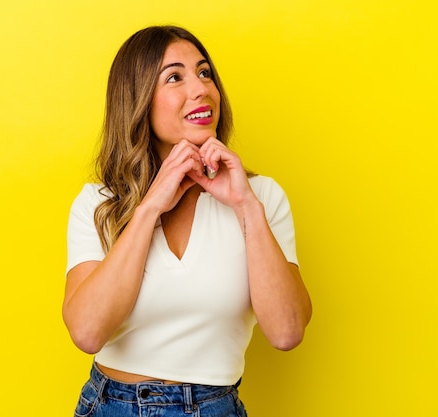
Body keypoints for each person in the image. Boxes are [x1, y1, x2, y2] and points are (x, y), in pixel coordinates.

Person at [63, 25, 312, 417]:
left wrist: (246, 208)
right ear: (138, 100)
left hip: (217, 407)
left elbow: (286, 332)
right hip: (112, 406)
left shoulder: (261, 197)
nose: (201, 89)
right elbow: (88, 332)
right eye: (175, 77)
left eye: (204, 72)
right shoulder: (100, 203)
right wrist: (148, 210)